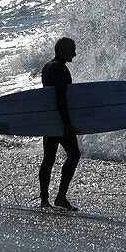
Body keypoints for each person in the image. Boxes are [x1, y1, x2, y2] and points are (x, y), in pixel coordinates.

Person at [39, 36, 81, 211]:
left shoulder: (47, 66)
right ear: (63, 50)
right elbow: (60, 98)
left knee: (48, 159)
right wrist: (67, 123)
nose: (75, 53)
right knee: (74, 155)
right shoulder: (60, 69)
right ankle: (61, 196)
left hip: (49, 120)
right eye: (72, 49)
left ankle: (44, 199)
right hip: (59, 121)